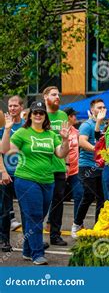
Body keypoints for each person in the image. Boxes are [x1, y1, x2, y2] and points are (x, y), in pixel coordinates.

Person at [1, 101, 69, 265]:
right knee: (35, 217)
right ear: (30, 115)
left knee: (37, 216)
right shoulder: (23, 132)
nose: (38, 115)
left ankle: (27, 250)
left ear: (45, 116)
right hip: (26, 180)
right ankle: (37, 253)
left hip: (48, 181)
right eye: (35, 112)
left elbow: (60, 153)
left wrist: (65, 140)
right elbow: (4, 150)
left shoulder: (51, 135)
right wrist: (8, 129)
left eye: (41, 112)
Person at [71, 99, 106, 239]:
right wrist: (97, 151)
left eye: (104, 107)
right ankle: (77, 224)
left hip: (101, 167)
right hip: (87, 166)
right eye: (99, 107)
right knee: (88, 196)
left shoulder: (104, 125)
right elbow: (82, 142)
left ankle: (98, 226)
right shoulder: (87, 125)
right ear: (92, 110)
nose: (102, 109)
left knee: (101, 198)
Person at [43, 86, 69, 246]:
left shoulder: (63, 115)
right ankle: (37, 237)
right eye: (53, 95)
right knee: (42, 202)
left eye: (58, 94)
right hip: (43, 167)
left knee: (58, 202)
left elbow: (66, 142)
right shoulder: (38, 115)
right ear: (45, 97)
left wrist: (66, 164)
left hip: (59, 166)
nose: (57, 97)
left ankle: (55, 235)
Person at [0, 96, 24, 252]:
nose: (12, 108)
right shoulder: (2, 128)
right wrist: (2, 172)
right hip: (7, 175)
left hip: (25, 175)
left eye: (15, 106)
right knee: (4, 210)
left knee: (27, 209)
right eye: (10, 106)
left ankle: (31, 243)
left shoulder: (27, 127)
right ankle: (4, 240)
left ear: (21, 107)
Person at [63, 107, 83, 223]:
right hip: (63, 168)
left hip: (75, 169)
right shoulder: (60, 131)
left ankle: (78, 222)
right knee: (57, 198)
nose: (76, 117)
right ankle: (50, 222)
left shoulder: (76, 131)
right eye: (74, 115)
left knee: (79, 195)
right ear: (69, 117)